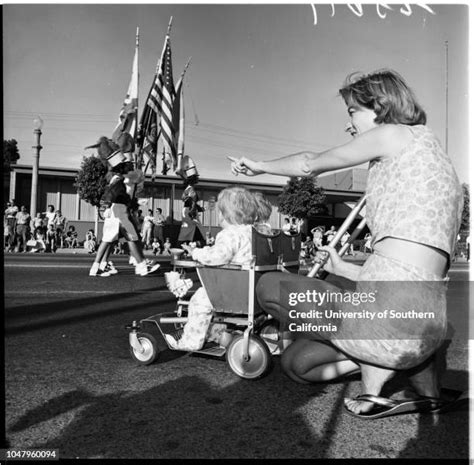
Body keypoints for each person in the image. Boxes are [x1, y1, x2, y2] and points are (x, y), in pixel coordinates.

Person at [229, 69, 464, 418]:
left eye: (353, 111)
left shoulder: (394, 134)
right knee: (298, 363)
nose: (349, 124)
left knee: (269, 286)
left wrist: (259, 166)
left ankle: (379, 370)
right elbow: (409, 267)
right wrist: (344, 268)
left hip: (390, 318)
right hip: (425, 323)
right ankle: (413, 384)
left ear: (380, 106)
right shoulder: (436, 161)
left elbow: (309, 164)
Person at [165, 187, 257, 351]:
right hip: (252, 290)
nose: (219, 217)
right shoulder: (255, 233)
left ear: (227, 214)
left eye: (220, 212)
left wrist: (197, 253)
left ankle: (190, 341)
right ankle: (219, 333)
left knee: (199, 302)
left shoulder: (230, 234)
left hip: (230, 291)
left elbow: (216, 256)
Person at [88, 149, 159, 277]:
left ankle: (96, 266)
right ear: (122, 166)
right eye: (128, 163)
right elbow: (139, 176)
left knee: (108, 240)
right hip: (120, 211)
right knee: (131, 237)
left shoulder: (116, 177)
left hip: (116, 211)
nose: (131, 164)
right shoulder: (125, 178)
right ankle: (141, 266)